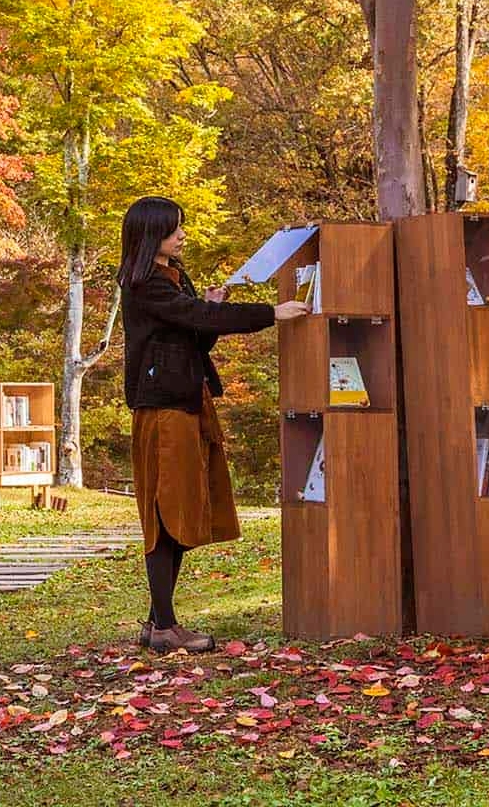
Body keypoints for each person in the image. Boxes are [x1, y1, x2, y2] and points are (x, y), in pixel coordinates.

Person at [120, 196, 308, 652]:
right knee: (166, 516)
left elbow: (196, 331)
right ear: (152, 236)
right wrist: (270, 313)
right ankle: (164, 626)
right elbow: (197, 319)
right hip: (164, 410)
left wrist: (207, 305)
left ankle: (156, 622)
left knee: (181, 511)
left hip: (185, 403)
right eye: (174, 230)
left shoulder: (172, 278)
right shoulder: (146, 283)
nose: (182, 235)